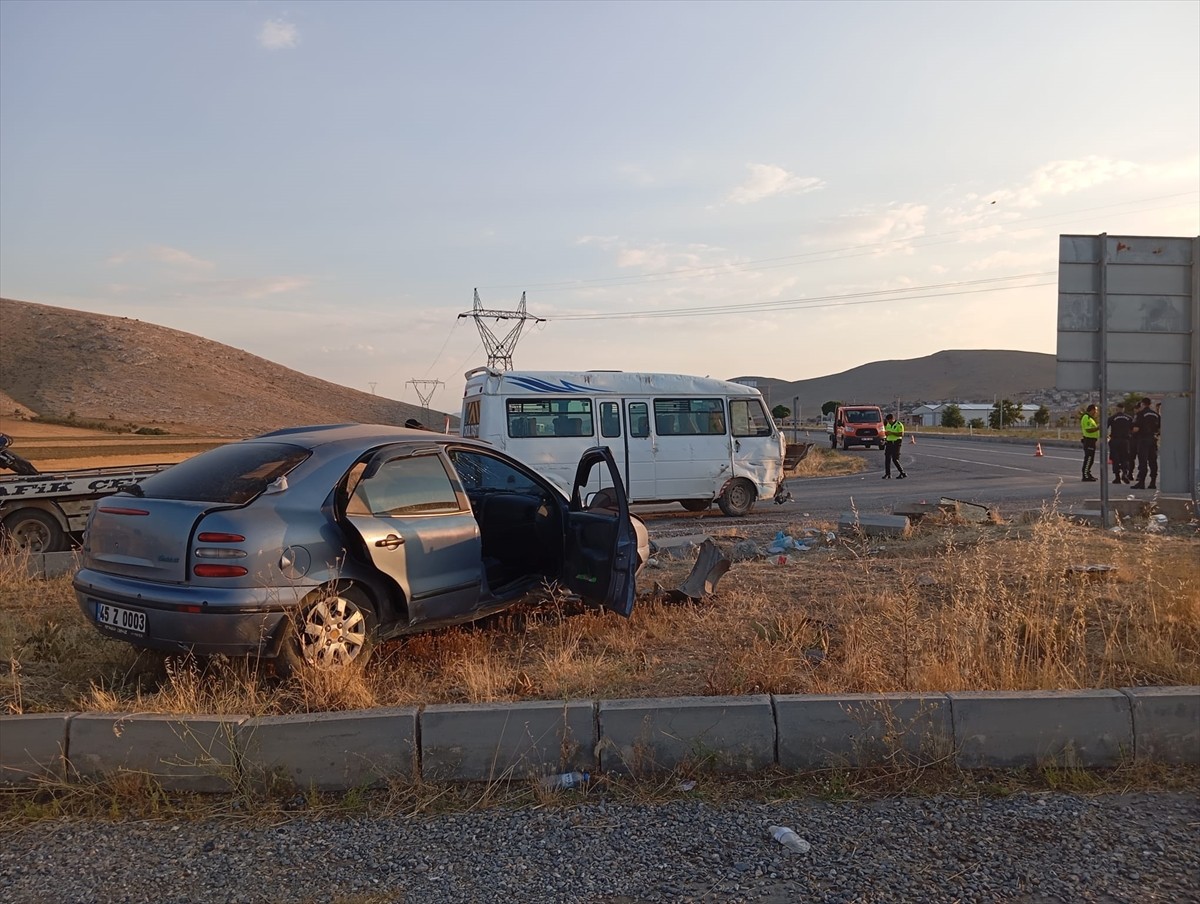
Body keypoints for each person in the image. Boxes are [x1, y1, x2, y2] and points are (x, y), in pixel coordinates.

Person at [1131, 397, 1161, 490]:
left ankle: (1141, 482)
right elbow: (1160, 429)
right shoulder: (1156, 415)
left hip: (1143, 439)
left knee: (1143, 461)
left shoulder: (1140, 414)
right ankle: (1153, 482)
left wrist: (1131, 431)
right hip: (1153, 439)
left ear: (1142, 404)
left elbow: (1136, 429)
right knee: (1153, 461)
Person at [1106, 402, 1134, 485]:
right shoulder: (1129, 418)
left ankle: (1117, 477)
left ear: (1116, 409)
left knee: (1115, 459)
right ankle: (1125, 473)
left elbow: (1105, 428)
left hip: (1115, 440)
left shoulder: (1112, 418)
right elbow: (1133, 429)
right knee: (1125, 458)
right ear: (1123, 409)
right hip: (1125, 441)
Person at [1079, 404, 1100, 482]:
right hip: (1089, 441)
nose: (1096, 412)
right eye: (1096, 410)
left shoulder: (1091, 418)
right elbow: (1088, 429)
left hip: (1092, 441)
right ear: (1092, 410)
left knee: (1091, 459)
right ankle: (1085, 475)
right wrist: (1098, 428)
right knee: (1089, 458)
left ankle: (1088, 473)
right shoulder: (1086, 417)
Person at [882, 413, 907, 479]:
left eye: (890, 421)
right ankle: (888, 474)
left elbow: (901, 434)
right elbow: (887, 433)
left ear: (893, 419)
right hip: (889, 442)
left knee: (895, 459)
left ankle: (902, 472)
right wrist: (886, 434)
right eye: (888, 421)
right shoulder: (887, 424)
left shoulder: (899, 425)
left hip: (896, 442)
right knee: (887, 458)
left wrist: (892, 433)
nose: (889, 422)